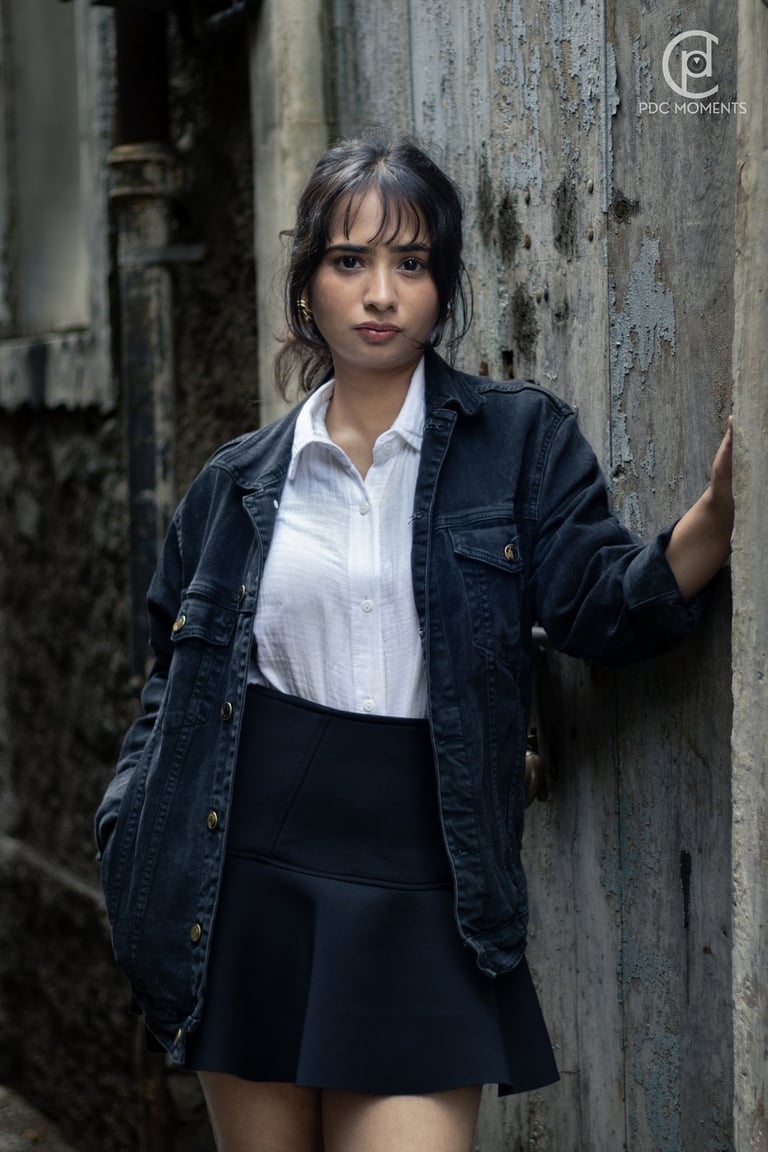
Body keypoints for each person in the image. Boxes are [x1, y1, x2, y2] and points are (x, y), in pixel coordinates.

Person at [94, 136, 734, 1152]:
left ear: (444, 288)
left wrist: (715, 521)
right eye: (350, 262)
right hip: (248, 888)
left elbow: (596, 605)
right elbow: (167, 686)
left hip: (424, 886)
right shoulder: (237, 484)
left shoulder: (518, 442)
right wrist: (128, 831)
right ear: (307, 285)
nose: (381, 292)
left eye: (413, 262)